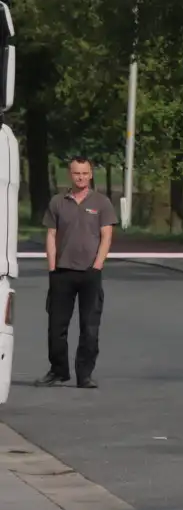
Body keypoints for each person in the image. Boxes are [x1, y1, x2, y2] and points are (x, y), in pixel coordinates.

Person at [35, 157, 117, 388]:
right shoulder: (57, 202)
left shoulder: (101, 203)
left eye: (85, 173)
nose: (80, 177)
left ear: (90, 175)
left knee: (89, 327)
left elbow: (107, 236)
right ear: (70, 175)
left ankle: (85, 375)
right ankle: (58, 371)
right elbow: (51, 236)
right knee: (56, 327)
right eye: (76, 173)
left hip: (90, 273)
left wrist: (97, 266)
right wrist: (52, 269)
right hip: (62, 272)